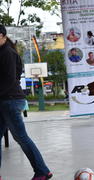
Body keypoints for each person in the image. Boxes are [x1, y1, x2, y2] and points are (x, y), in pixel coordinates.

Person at [0, 25, 52, 180]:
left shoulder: (8, 53)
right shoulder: (3, 52)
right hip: (4, 100)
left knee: (20, 137)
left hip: (10, 101)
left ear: (2, 36)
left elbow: (10, 80)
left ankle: (42, 171)